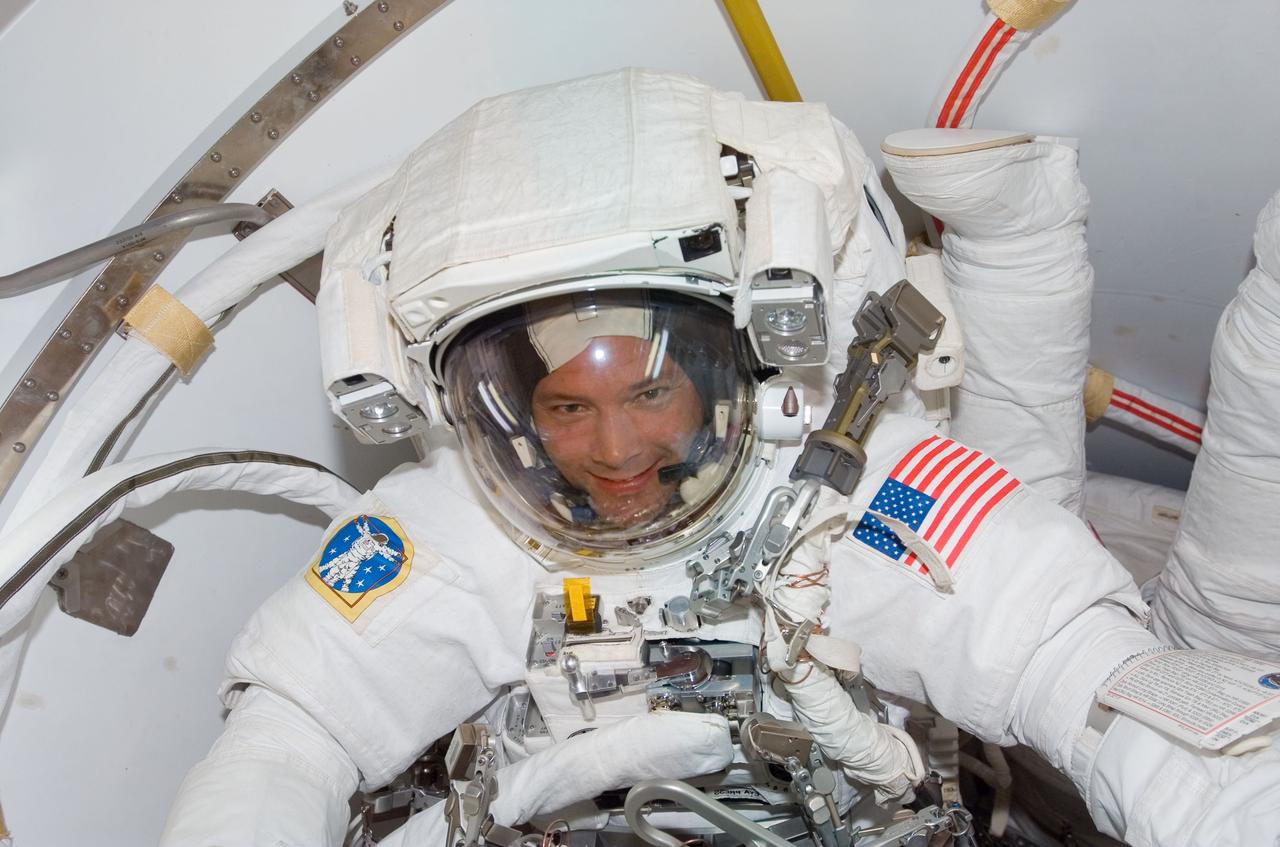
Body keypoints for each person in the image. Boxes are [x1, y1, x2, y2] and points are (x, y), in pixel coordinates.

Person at [161, 70, 1280, 846]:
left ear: (735, 353)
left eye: (649, 389)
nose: (614, 451)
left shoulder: (865, 494)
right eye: (561, 406)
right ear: (489, 414)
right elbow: (290, 731)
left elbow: (1087, 680)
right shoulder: (451, 530)